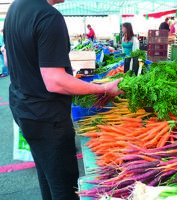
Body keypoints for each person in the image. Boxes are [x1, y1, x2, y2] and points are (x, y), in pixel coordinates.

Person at [3, 0, 122, 200]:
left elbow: (8, 59)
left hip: (23, 109)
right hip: (47, 118)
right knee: (64, 187)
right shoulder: (49, 16)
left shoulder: (15, 8)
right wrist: (103, 89)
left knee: (46, 174)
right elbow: (55, 81)